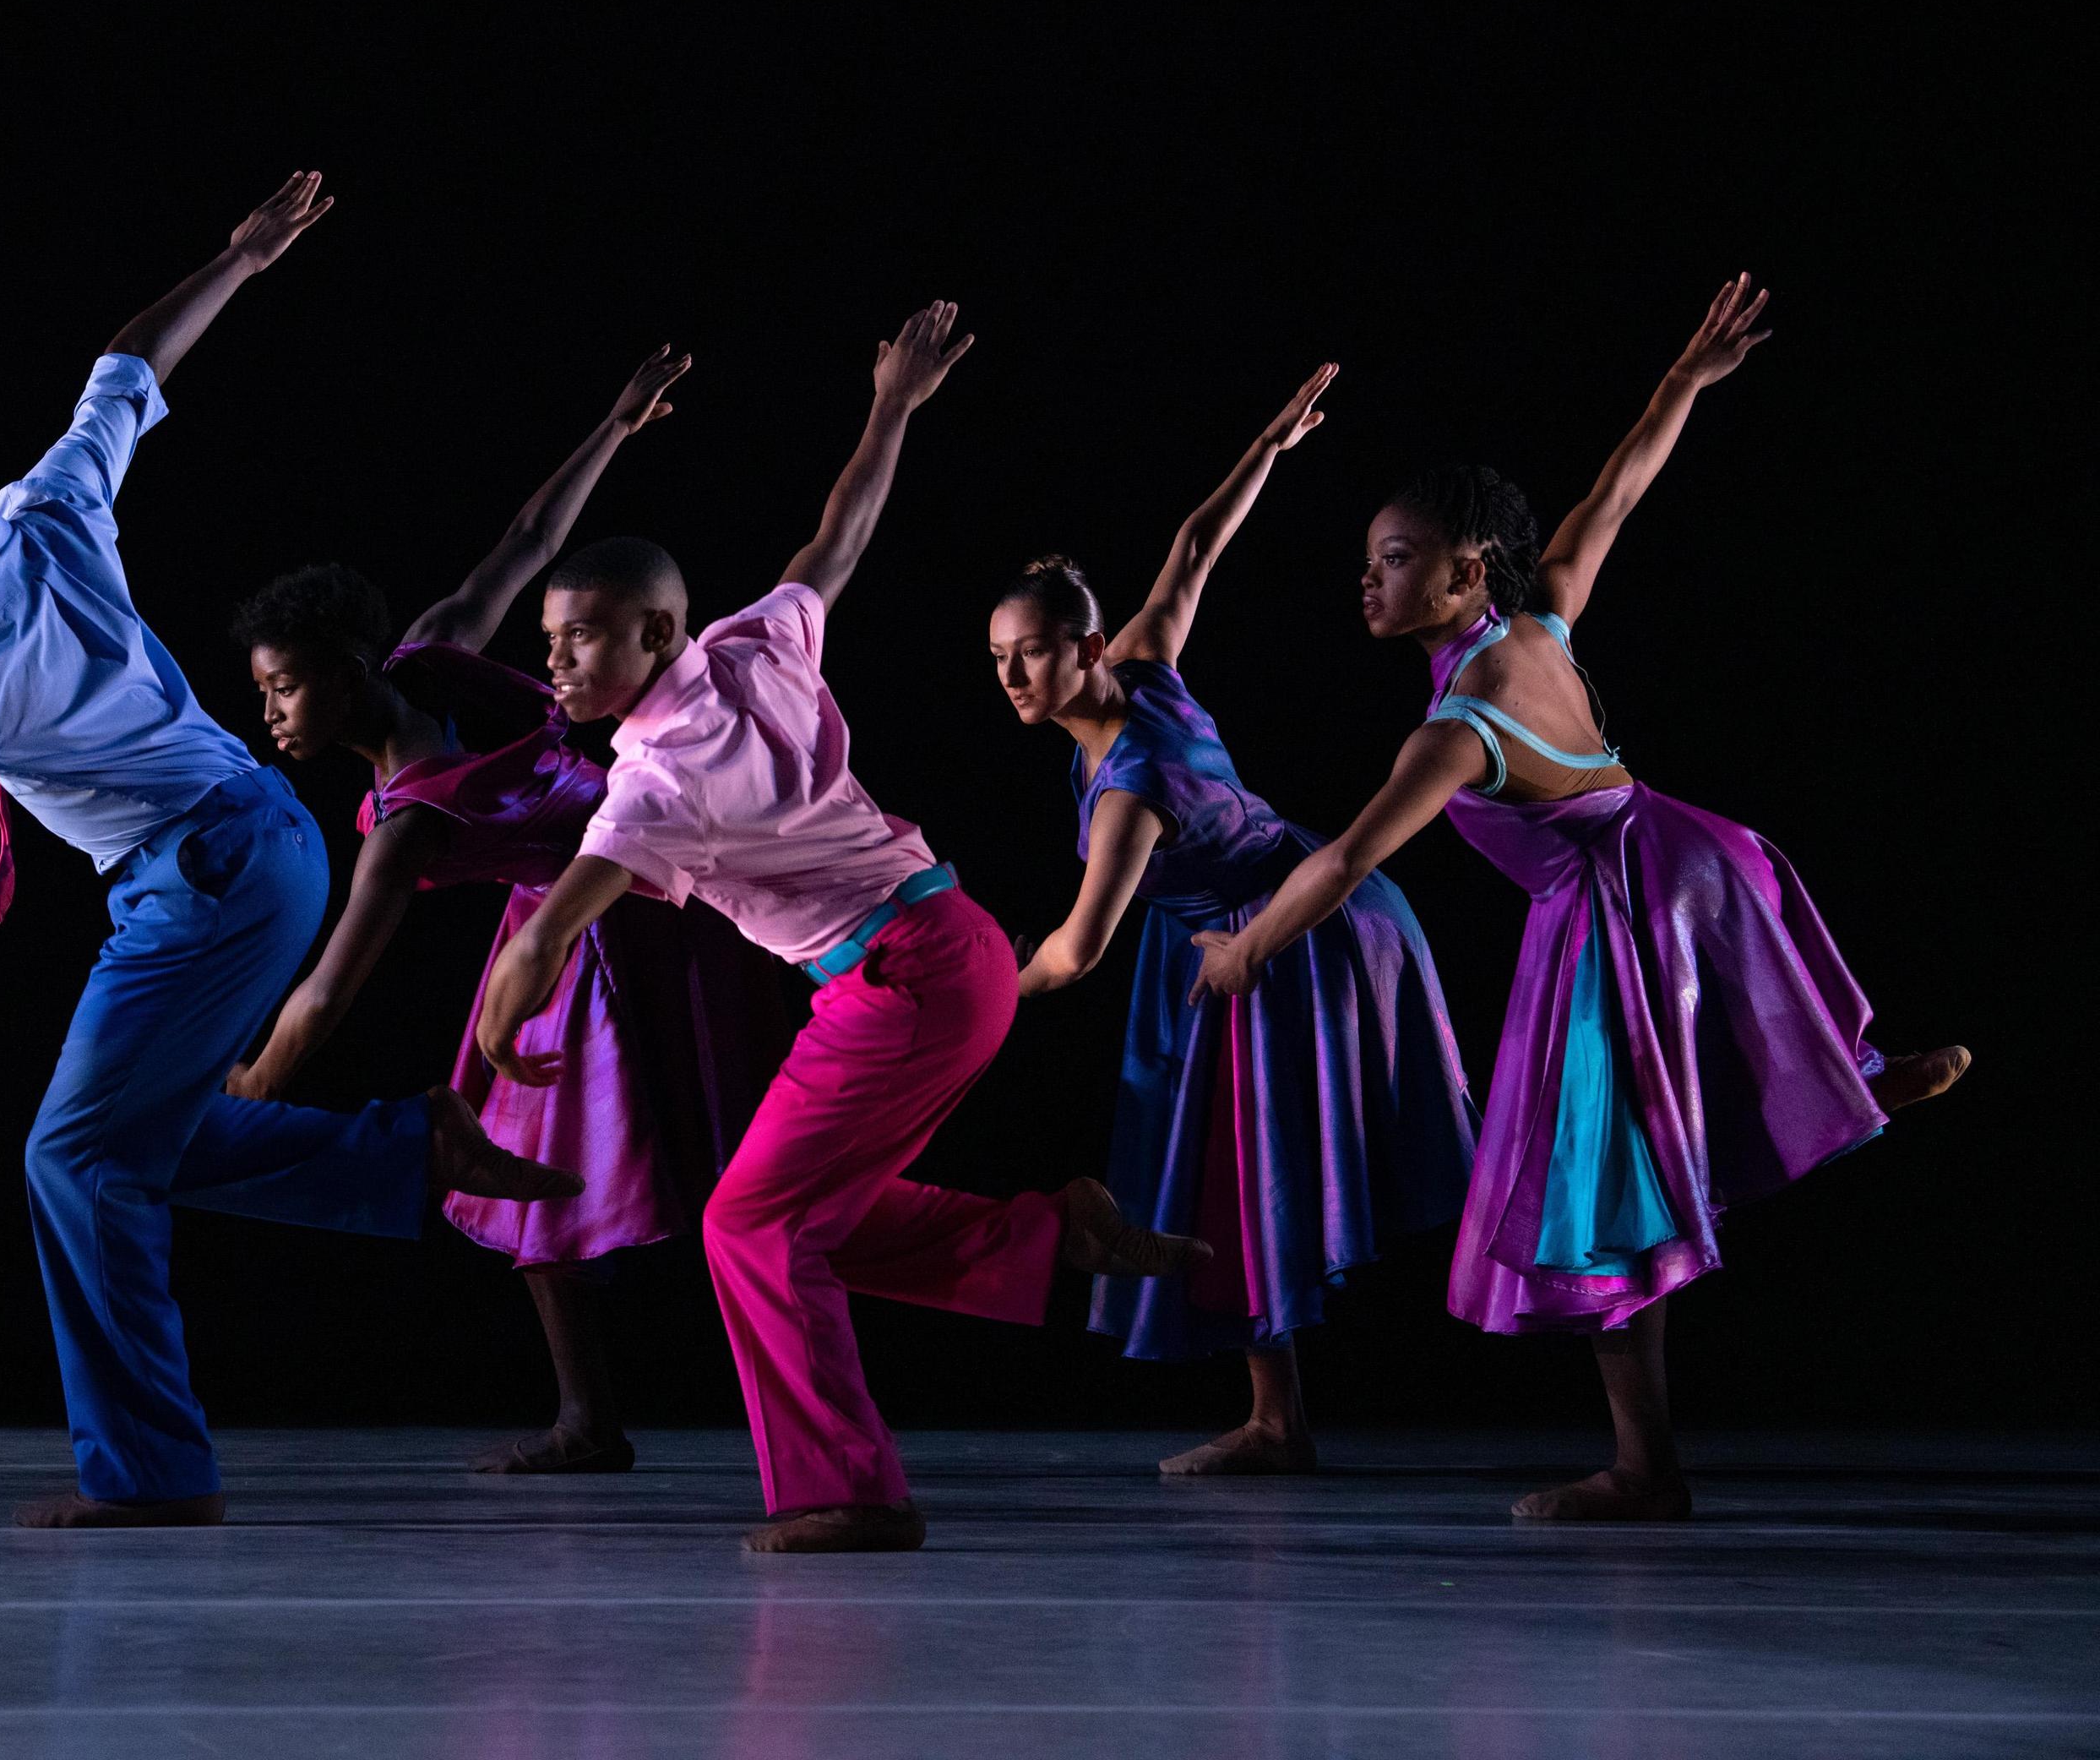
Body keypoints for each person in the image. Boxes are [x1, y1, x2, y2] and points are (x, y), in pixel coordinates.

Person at [0, 176, 574, 1528]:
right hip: (264, 847)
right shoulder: (53, 503)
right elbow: (129, 364)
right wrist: (240, 259)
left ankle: (153, 1474)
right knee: (135, 1141)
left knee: (73, 1162)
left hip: (204, 870)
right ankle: (408, 1152)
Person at [1189, 276, 1970, 1521]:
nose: (1370, 582)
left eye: (1397, 562)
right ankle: (1851, 1072)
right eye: (1367, 563)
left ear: (1464, 571)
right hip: (1703, 862)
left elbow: (1344, 864)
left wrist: (1244, 953)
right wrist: (1684, 381)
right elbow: (1618, 491)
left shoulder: (1455, 729)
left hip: (1619, 912)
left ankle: (1646, 1467)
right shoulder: (1541, 619)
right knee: (1645, 1152)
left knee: (1601, 1191)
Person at [459, 301, 1204, 1554]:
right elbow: (841, 531)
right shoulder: (757, 643)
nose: (561, 670)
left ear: (655, 633)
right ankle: (1049, 1233)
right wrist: (895, 404)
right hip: (945, 953)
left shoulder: (656, 783)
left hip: (907, 978)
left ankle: (849, 1490)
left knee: (747, 1226)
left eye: (583, 641)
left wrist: (485, 1059)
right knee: (817, 1218)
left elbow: (542, 943)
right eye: (551, 646)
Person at [230, 346, 792, 1474]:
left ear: (345, 671)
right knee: (539, 1161)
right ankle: (593, 1416)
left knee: (692, 1163)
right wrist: (616, 428)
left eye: (284, 689)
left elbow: (331, 988)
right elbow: (527, 544)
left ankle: (700, 1409)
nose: (272, 718)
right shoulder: (435, 658)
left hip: (613, 921)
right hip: (602, 908)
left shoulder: (409, 822)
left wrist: (242, 1094)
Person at [989, 365, 1477, 1476]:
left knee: (1308, 1162)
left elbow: (1073, 951)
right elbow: (1198, 543)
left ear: (1085, 641)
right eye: (998, 659)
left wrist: (974, 999)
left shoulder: (1129, 785)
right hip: (1244, 933)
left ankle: (1605, 1241)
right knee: (1236, 1170)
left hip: (1290, 937)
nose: (1014, 676)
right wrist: (1267, 444)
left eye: (1033, 651)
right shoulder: (1147, 660)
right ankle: (1277, 1419)